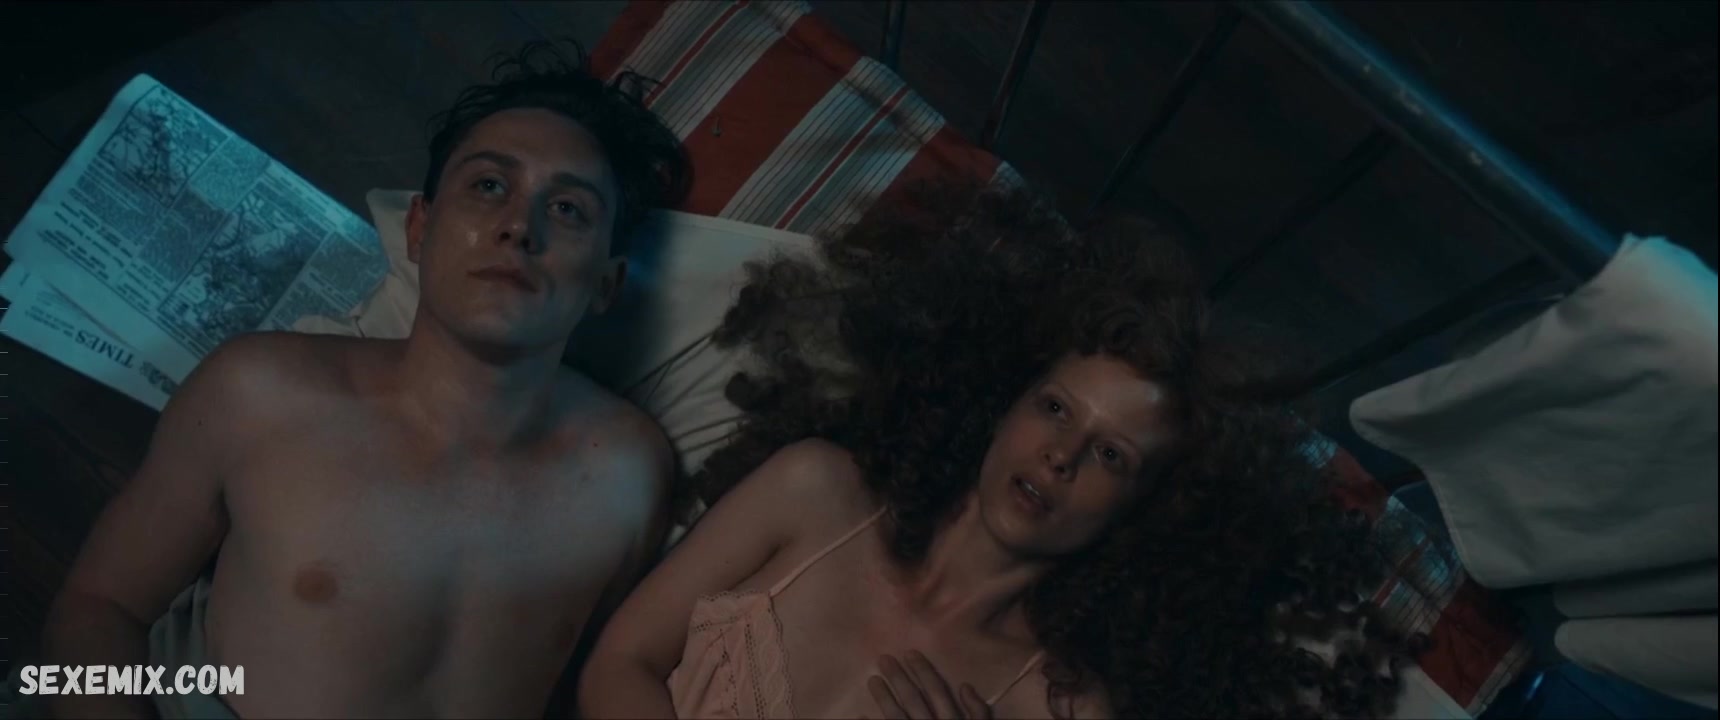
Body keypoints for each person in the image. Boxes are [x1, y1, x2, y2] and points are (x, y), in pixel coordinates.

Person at [579, 183, 1424, 719]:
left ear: (1145, 511)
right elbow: (619, 663)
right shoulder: (814, 490)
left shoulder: (1068, 708)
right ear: (999, 404)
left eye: (1111, 456)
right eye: (1054, 408)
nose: (1060, 456)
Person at [42, 40, 690, 719]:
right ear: (420, 228)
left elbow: (591, 685)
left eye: (568, 210)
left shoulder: (631, 472)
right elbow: (96, 608)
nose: (517, 228)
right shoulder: (260, 393)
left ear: (607, 283)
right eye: (489, 187)